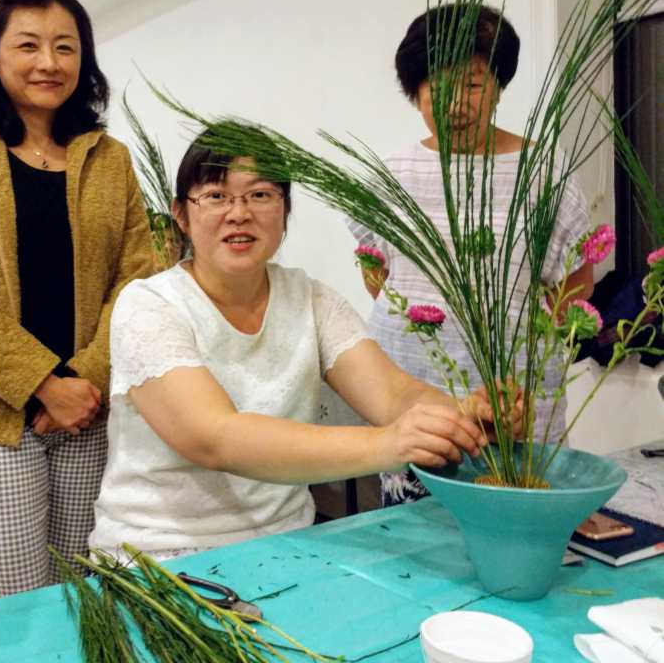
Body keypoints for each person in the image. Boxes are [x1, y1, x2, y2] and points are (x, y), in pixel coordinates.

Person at [89, 129, 499, 560]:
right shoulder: (149, 305)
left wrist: (462, 417)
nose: (239, 213)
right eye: (216, 196)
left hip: (287, 544)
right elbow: (215, 437)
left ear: (285, 210)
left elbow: (393, 394)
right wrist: (388, 445)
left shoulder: (312, 299)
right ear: (181, 215)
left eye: (260, 195)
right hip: (157, 556)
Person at [0, 0, 155, 595]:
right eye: (29, 45)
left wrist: (84, 381)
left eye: (65, 46)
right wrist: (45, 384)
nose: (49, 62)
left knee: (84, 581)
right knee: (22, 590)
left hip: (87, 407)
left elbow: (138, 279)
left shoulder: (109, 157)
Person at [348, 5, 593, 507]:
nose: (457, 103)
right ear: (414, 90)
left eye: (475, 84)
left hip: (515, 400)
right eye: (437, 86)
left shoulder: (541, 170)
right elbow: (376, 275)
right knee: (418, 531)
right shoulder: (393, 175)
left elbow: (575, 284)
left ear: (500, 87)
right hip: (412, 388)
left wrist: (517, 345)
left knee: (518, 522)